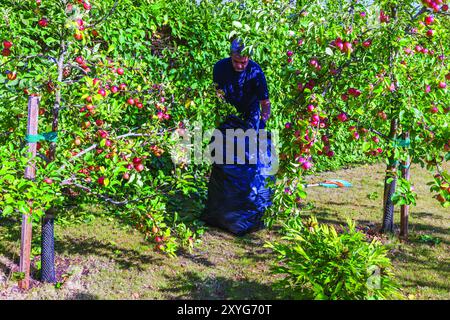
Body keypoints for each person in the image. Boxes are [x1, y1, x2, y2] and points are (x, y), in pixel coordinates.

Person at [200, 39, 274, 236]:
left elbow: (264, 102)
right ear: (230, 57)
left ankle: (245, 205)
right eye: (236, 62)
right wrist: (224, 113)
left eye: (244, 62)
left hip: (251, 112)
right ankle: (224, 206)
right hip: (230, 111)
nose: (240, 66)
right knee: (224, 152)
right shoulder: (220, 68)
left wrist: (262, 124)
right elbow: (218, 93)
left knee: (249, 158)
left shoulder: (256, 72)